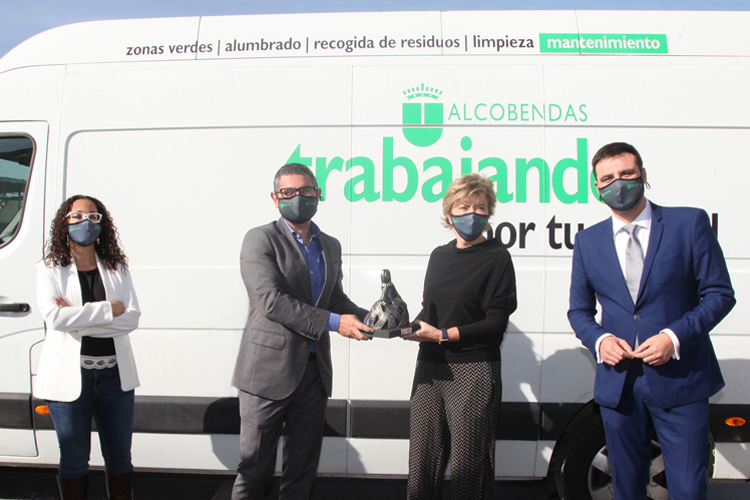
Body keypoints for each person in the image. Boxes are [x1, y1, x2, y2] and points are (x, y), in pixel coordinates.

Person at [568, 142, 735, 500]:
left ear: (643, 175)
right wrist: (600, 341)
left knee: (688, 490)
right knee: (626, 489)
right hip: (620, 386)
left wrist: (673, 338)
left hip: (681, 381)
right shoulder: (587, 241)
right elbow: (579, 311)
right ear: (596, 187)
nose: (618, 183)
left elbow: (720, 294)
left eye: (627, 173)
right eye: (607, 178)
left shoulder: (688, 223)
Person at [231, 163, 373, 500]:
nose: (298, 197)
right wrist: (335, 323)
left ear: (318, 194)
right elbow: (270, 301)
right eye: (288, 192)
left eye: (306, 191)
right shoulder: (260, 239)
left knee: (302, 472)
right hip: (266, 376)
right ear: (275, 198)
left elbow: (333, 299)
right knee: (254, 472)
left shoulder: (330, 246)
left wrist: (374, 318)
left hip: (313, 374)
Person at [403, 173, 517, 500]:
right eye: (464, 206)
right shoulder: (439, 256)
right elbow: (431, 310)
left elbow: (496, 323)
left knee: (469, 466)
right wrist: (405, 327)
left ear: (489, 212)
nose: (472, 214)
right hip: (430, 367)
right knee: (422, 463)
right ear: (449, 212)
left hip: (474, 370)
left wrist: (442, 334)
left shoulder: (497, 257)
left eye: (480, 207)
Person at [35, 195, 141, 500]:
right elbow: (55, 318)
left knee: (119, 458)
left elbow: (132, 318)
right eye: (78, 216)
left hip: (114, 376)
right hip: (69, 378)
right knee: (74, 459)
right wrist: (109, 310)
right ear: (65, 222)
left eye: (94, 216)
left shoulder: (116, 266)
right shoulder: (49, 268)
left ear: (102, 223)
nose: (86, 222)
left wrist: (77, 318)